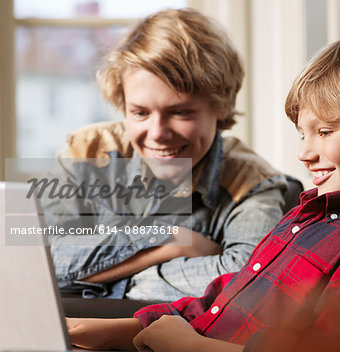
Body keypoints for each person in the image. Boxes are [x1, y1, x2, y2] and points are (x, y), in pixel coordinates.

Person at [66, 31, 340, 352]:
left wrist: (189, 346)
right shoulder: (308, 214)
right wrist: (120, 329)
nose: (304, 154)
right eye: (302, 134)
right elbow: (227, 296)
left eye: (325, 132)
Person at [39, 8, 292, 301]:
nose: (157, 132)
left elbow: (249, 283)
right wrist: (172, 241)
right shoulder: (86, 151)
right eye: (140, 113)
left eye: (180, 112)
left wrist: (108, 283)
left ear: (221, 105)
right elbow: (36, 261)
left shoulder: (252, 182)